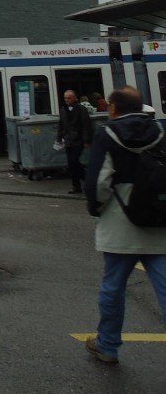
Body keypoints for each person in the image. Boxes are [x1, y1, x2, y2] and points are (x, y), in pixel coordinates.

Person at [82, 85, 166, 364]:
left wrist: (96, 209)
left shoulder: (106, 135)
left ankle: (107, 345)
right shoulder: (161, 133)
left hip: (121, 224)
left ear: (113, 108)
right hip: (159, 221)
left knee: (113, 287)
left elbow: (98, 183)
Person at [58, 89, 94, 194]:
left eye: (69, 98)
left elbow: (86, 125)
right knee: (71, 164)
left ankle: (87, 180)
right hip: (68, 140)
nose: (66, 100)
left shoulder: (81, 109)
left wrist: (87, 140)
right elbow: (61, 124)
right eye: (65, 98)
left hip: (78, 140)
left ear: (74, 98)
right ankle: (76, 186)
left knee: (74, 161)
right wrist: (59, 138)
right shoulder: (63, 110)